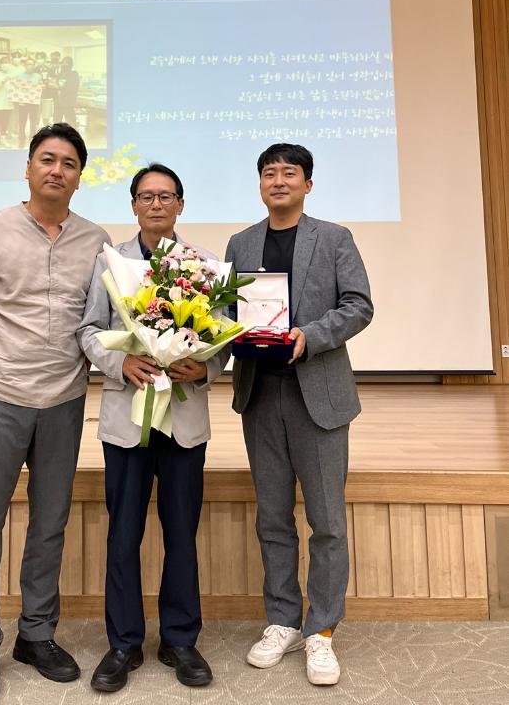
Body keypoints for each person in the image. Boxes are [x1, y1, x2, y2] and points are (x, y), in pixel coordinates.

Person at [0, 123, 111, 705]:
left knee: (49, 525)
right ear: (28, 167)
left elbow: (103, 322)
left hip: (64, 401)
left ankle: (36, 635)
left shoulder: (96, 241)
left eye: (69, 163)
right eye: (47, 159)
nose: (56, 170)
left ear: (80, 176)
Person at [225, 143, 373, 686]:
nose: (279, 181)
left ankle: (322, 629)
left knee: (327, 521)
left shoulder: (333, 238)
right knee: (272, 517)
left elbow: (359, 305)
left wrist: (309, 336)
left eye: (290, 173)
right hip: (261, 396)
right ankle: (283, 620)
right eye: (270, 173)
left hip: (320, 396)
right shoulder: (241, 243)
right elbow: (226, 313)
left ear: (307, 185)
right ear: (260, 184)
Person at [77, 164, 227, 693]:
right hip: (128, 420)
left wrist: (205, 369)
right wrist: (121, 364)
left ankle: (180, 640)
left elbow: (224, 339)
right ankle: (123, 642)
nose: (156, 204)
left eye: (166, 196)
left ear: (180, 205)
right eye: (146, 196)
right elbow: (89, 331)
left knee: (181, 534)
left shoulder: (205, 265)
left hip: (183, 421)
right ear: (133, 205)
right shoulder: (111, 262)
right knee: (123, 534)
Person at [55, 56, 80, 126]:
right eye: (63, 63)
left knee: (70, 122)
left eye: (67, 63)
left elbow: (73, 88)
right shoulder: (60, 74)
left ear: (71, 65)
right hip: (58, 102)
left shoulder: (74, 74)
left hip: (68, 103)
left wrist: (60, 88)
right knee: (57, 122)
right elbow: (56, 84)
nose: (64, 65)